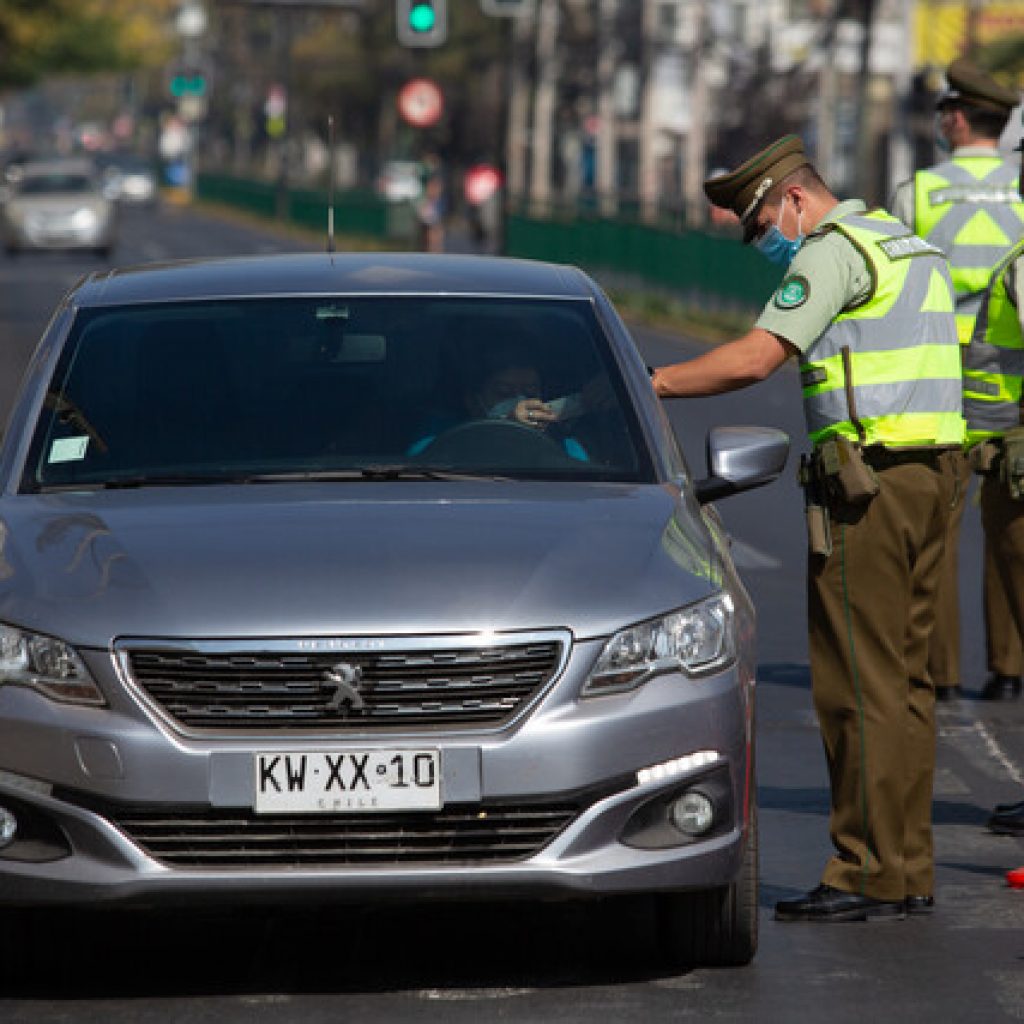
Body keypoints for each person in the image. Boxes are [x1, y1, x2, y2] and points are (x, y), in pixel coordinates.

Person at [652, 135, 964, 923]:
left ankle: (862, 869)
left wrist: (650, 380)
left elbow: (757, 358)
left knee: (856, 683)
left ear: (793, 199)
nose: (765, 244)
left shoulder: (830, 253)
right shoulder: (905, 242)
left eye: (761, 225)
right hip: (935, 477)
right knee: (909, 683)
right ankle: (908, 866)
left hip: (870, 487)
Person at [891, 58, 1024, 702]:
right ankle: (1010, 667)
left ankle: (937, 673)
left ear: (956, 117)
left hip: (940, 381)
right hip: (1013, 383)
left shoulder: (916, 193)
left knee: (937, 524)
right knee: (1013, 523)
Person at [407, 346, 590, 462]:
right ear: (472, 400)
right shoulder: (438, 443)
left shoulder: (565, 448)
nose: (520, 403)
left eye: (530, 391)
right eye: (504, 393)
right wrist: (505, 431)